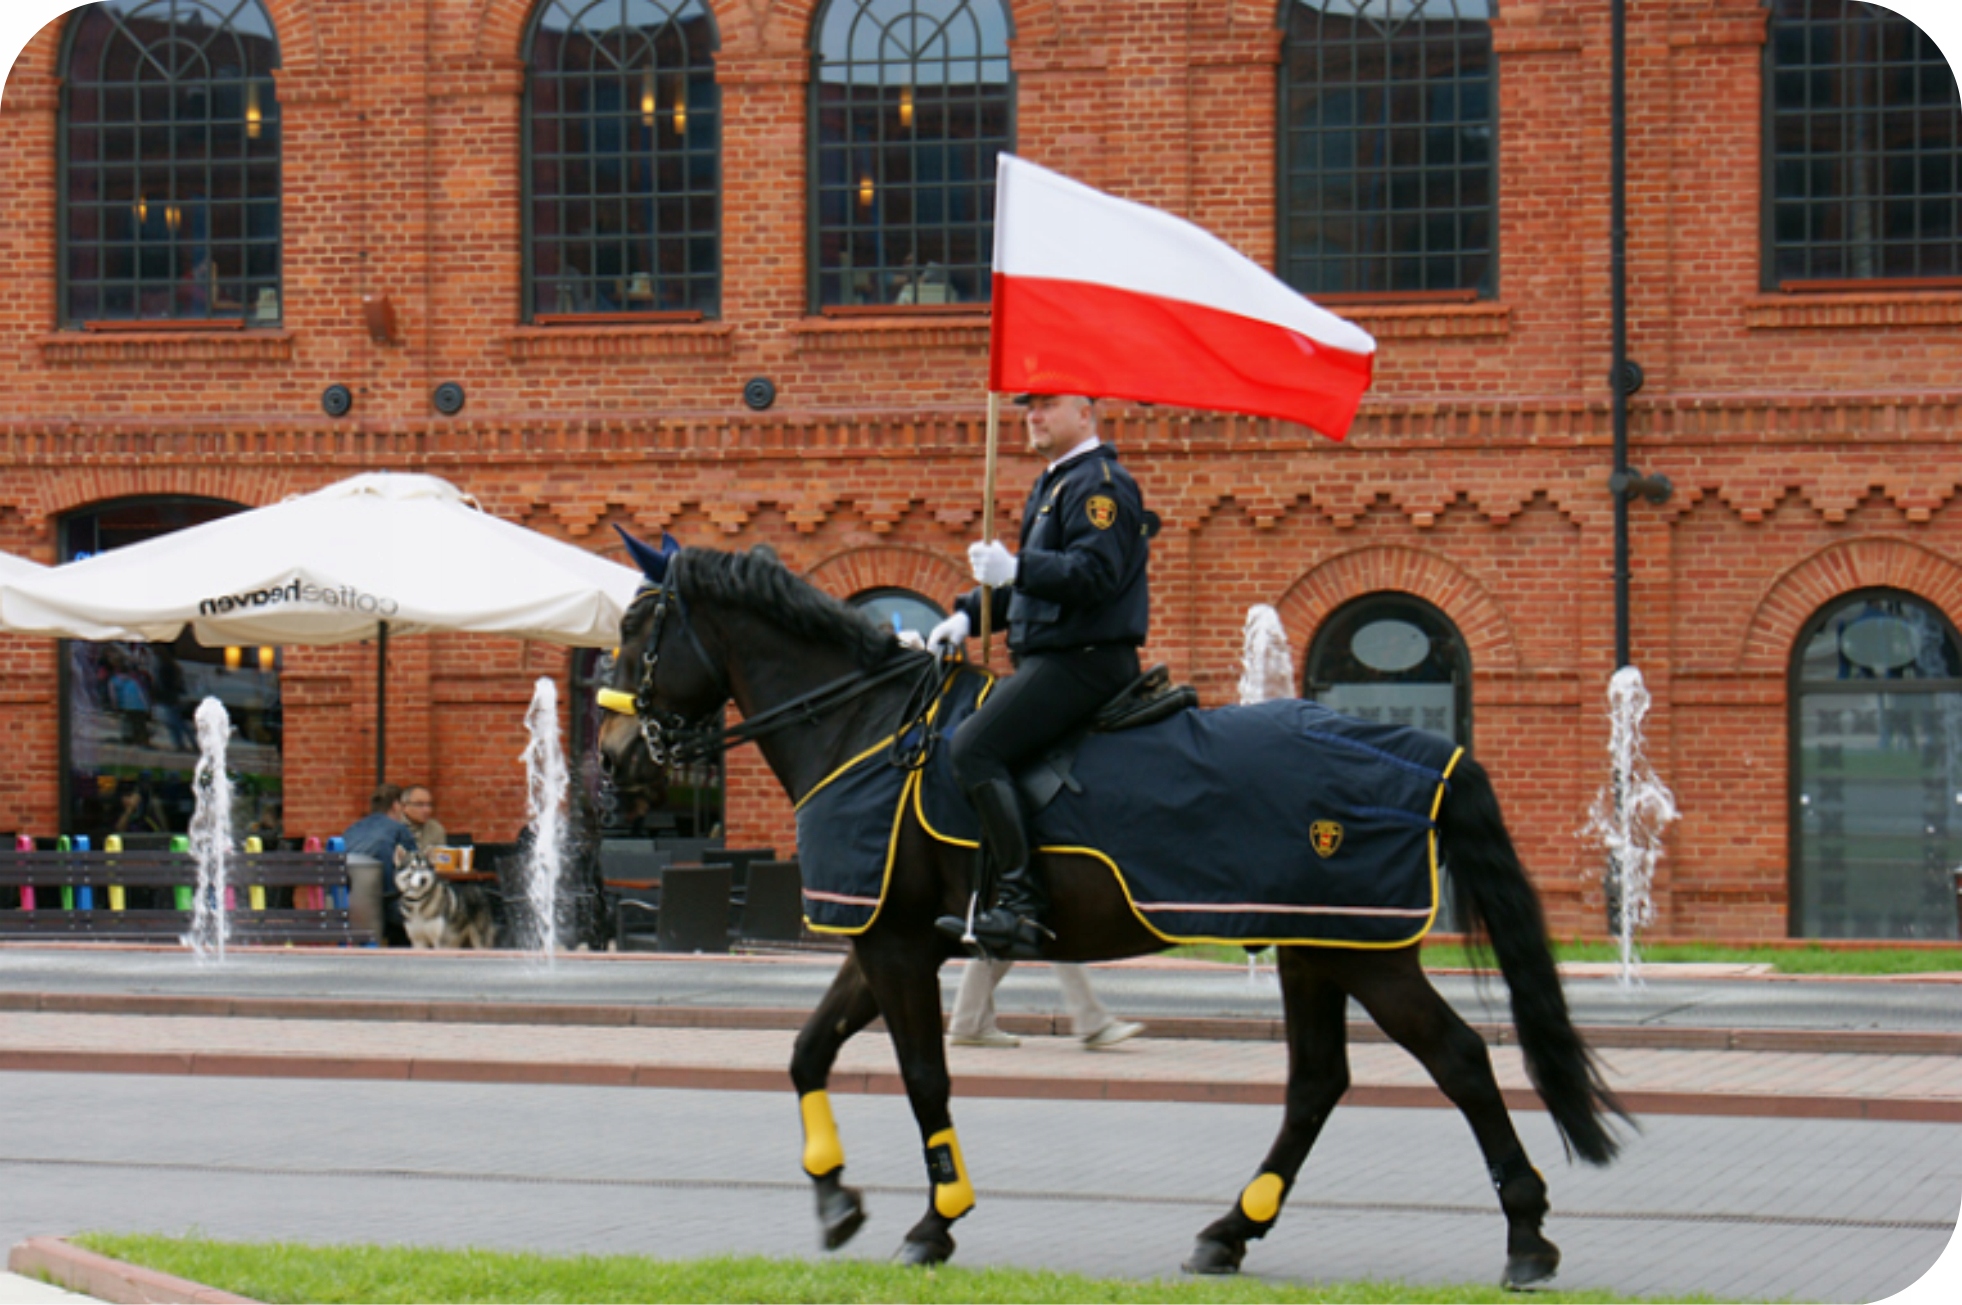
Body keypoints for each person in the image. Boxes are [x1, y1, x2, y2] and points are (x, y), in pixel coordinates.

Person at [926, 393, 1156, 958]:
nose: (1033, 415)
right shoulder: (1055, 483)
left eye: (1049, 404)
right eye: (1029, 406)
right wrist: (965, 615)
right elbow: (1028, 592)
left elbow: (1094, 574)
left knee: (974, 747)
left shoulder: (1101, 483)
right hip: (1049, 660)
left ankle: (1022, 904)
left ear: (1086, 412)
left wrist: (1018, 566)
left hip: (1084, 661)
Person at [948, 959, 1145, 1051]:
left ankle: (969, 1024)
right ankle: (1093, 1022)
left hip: (1010, 878)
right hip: (1019, 878)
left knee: (1001, 938)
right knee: (1057, 935)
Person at [341, 784, 420, 945]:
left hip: (344, 902)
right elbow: (415, 867)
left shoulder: (352, 829)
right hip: (380, 903)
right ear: (395, 805)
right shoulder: (398, 829)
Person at [400, 784, 447, 853]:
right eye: (419, 804)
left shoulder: (435, 829)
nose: (427, 810)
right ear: (404, 807)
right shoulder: (393, 827)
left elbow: (441, 859)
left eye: (429, 804)